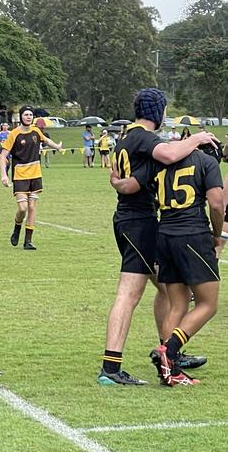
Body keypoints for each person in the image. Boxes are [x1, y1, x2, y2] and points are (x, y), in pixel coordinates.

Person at [98, 87, 218, 386]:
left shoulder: (126, 136)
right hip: (139, 222)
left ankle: (169, 352)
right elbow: (168, 153)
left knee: (167, 290)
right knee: (128, 293)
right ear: (156, 112)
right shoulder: (141, 135)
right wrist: (197, 138)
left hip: (136, 219)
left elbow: (131, 183)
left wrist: (118, 183)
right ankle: (111, 368)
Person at [112, 143, 223, 387]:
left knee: (178, 304)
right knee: (208, 304)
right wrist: (217, 234)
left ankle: (169, 371)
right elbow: (216, 203)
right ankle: (169, 351)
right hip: (193, 234)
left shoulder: (163, 162)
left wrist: (115, 181)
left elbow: (135, 185)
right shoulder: (207, 162)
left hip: (164, 236)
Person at [0, 106, 63, 250]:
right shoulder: (14, 134)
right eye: (26, 114)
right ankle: (17, 228)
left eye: (30, 115)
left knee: (32, 207)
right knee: (22, 208)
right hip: (20, 174)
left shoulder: (36, 131)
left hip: (35, 174)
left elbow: (46, 140)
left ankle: (28, 241)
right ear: (21, 117)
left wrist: (57, 147)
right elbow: (3, 155)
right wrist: (4, 175)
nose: (28, 117)